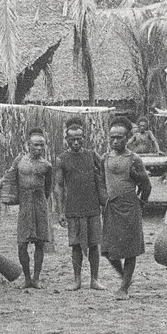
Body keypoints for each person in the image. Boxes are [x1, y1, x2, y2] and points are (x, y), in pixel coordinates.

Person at [0, 129, 53, 289]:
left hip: (39, 204)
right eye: (35, 145)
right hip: (25, 205)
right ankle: (27, 278)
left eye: (41, 145)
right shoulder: (19, 161)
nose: (38, 149)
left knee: (40, 243)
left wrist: (40, 202)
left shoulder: (47, 165)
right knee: (22, 244)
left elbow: (48, 189)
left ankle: (36, 279)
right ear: (28, 145)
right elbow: (7, 178)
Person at [53, 117, 106, 291]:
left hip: (92, 206)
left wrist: (104, 202)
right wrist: (60, 212)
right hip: (73, 207)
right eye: (72, 139)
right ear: (67, 140)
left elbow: (102, 178)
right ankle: (77, 280)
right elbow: (59, 187)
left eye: (79, 139)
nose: (76, 143)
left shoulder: (92, 156)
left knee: (94, 244)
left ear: (84, 138)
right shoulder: (62, 159)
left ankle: (94, 279)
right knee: (75, 244)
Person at [101, 121, 152, 298]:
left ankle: (123, 287)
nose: (115, 141)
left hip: (130, 206)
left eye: (119, 137)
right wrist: (105, 199)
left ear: (127, 138)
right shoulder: (105, 158)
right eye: (112, 138)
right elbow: (102, 182)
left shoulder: (134, 159)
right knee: (108, 250)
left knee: (130, 249)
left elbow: (146, 186)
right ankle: (125, 277)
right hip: (112, 207)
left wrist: (141, 204)